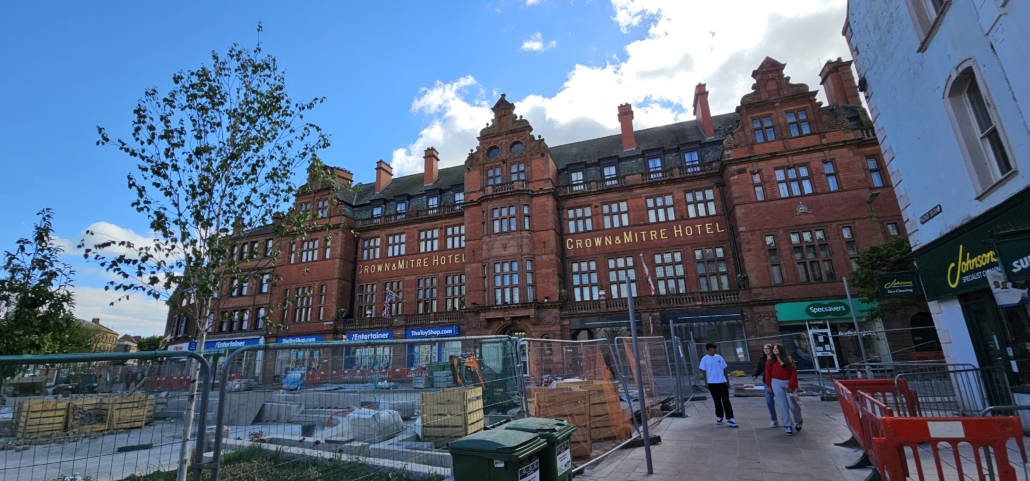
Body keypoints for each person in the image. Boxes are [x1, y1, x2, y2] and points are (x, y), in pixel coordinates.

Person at [766, 344, 803, 435]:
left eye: (776, 348)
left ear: (781, 350)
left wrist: (791, 386)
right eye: (773, 348)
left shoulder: (789, 359)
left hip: (788, 382)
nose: (774, 350)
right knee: (782, 405)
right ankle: (788, 425)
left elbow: (793, 373)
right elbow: (767, 374)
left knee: (793, 405)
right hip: (776, 382)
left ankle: (798, 421)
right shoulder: (770, 360)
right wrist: (769, 386)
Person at [699, 342, 737, 428]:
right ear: (709, 349)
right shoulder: (705, 359)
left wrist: (727, 381)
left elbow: (724, 370)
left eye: (715, 348)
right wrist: (706, 383)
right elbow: (704, 372)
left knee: (726, 400)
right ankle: (719, 416)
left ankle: (730, 418)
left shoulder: (719, 358)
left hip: (722, 382)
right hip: (712, 383)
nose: (715, 350)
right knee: (717, 401)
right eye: (713, 348)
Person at [752, 344, 778, 427]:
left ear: (771, 349)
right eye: (764, 348)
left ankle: (786, 418)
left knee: (782, 401)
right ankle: (774, 419)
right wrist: (755, 375)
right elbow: (759, 368)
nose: (766, 350)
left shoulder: (776, 357)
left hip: (776, 381)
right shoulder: (762, 359)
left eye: (767, 348)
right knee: (769, 401)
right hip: (767, 382)